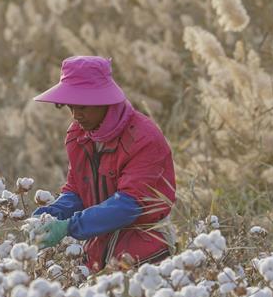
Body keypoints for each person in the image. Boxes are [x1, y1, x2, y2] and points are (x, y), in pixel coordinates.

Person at [32, 55, 176, 271]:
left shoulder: (144, 139)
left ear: (105, 101)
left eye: (83, 107)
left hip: (145, 246)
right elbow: (77, 190)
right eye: (71, 106)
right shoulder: (78, 135)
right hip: (101, 242)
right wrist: (52, 214)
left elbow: (129, 206)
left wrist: (69, 226)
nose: (76, 115)